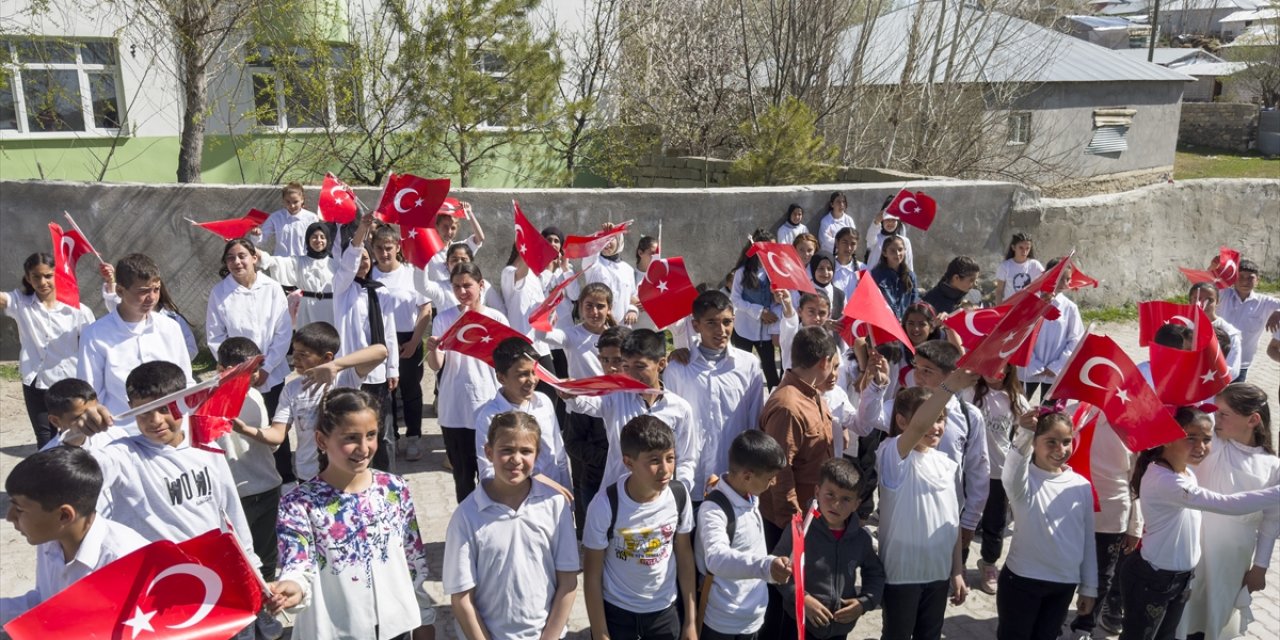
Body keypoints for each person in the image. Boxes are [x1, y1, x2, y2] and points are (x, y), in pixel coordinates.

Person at [268, 388, 436, 640]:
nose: (364, 447)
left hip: (396, 626)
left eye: (371, 435)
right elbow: (297, 562)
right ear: (322, 441)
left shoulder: (394, 488)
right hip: (336, 630)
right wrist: (292, 588)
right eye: (350, 438)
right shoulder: (299, 503)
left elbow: (413, 557)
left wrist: (424, 615)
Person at [1120, 406, 1280, 640]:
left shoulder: (1185, 473)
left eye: (1206, 439)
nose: (1201, 447)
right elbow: (1228, 504)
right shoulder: (1167, 481)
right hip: (1152, 580)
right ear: (1167, 438)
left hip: (1180, 578)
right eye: (1190, 438)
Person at [79, 361, 259, 566]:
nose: (155, 420)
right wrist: (76, 436)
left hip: (211, 572)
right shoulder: (123, 455)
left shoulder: (207, 448)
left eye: (165, 408)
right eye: (144, 411)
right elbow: (70, 472)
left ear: (184, 401)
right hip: (157, 579)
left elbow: (231, 509)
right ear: (130, 408)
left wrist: (251, 562)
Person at [444, 411, 579, 640]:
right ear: (489, 452)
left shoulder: (555, 506)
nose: (516, 459)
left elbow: (568, 581)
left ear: (537, 455)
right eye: (506, 450)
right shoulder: (466, 516)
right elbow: (462, 597)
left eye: (526, 451)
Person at [858, 340, 990, 566]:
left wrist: (969, 521)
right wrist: (877, 385)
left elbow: (978, 470)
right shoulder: (904, 405)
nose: (918, 376)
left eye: (927, 371)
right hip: (904, 516)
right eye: (916, 368)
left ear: (952, 375)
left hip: (946, 519)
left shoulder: (970, 416)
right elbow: (868, 419)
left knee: (941, 578)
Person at [0, 447, 148, 624]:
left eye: (19, 509)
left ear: (64, 515)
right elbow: (47, 603)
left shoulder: (127, 563)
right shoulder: (52, 539)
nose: (9, 517)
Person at [877, 378, 975, 640]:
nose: (936, 426)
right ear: (901, 421)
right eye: (930, 417)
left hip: (938, 574)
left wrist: (956, 570)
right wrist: (949, 386)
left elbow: (951, 522)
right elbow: (918, 427)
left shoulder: (947, 463)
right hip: (902, 575)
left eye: (941, 418)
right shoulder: (891, 455)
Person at [1180, 383, 1280, 640]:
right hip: (1192, 545)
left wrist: (1260, 566)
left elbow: (1271, 520)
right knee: (1184, 611)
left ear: (1253, 420)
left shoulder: (1271, 465)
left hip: (1232, 556)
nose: (1215, 418)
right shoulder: (1211, 443)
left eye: (1224, 414)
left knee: (1216, 612)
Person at [582, 416, 697, 640]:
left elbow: (684, 557)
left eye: (670, 458)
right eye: (654, 461)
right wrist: (601, 632)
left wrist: (690, 622)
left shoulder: (679, 495)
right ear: (628, 462)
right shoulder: (605, 505)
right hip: (618, 615)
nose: (666, 469)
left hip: (665, 613)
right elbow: (592, 575)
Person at [237, 322, 389, 484]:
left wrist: (335, 366)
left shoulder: (346, 377)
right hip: (309, 474)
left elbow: (381, 351)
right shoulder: (292, 389)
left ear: (327, 357)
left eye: (303, 354)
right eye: (294, 352)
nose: (295, 359)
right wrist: (245, 429)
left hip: (347, 471)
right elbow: (277, 435)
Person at [998, 409, 1097, 640]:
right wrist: (1023, 433)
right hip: (1022, 582)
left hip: (1063, 586)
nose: (1060, 449)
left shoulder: (1081, 486)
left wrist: (1089, 587)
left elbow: (1087, 542)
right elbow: (1011, 474)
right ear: (1034, 442)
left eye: (1066, 442)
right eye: (1050, 442)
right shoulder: (1023, 483)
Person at [564, 329, 699, 495]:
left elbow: (686, 458)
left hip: (661, 503)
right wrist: (571, 394)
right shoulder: (615, 398)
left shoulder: (680, 409)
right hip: (618, 498)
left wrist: (680, 491)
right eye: (626, 366)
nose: (632, 374)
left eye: (640, 366)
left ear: (661, 364)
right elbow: (587, 404)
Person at [664, 290, 766, 503]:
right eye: (711, 323)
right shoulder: (678, 368)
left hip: (734, 479)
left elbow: (754, 422)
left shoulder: (749, 365)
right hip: (691, 478)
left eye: (727, 322)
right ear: (696, 325)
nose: (721, 330)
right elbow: (670, 425)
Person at [773, 458, 885, 640]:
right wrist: (802, 599)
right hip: (798, 625)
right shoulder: (800, 531)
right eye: (830, 495)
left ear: (857, 503)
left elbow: (875, 573)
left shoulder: (861, 539)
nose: (836, 504)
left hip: (839, 629)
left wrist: (864, 603)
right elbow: (777, 570)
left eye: (846, 499)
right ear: (817, 491)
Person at [696, 430, 792, 639]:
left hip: (752, 617)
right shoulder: (714, 510)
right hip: (723, 623)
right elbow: (716, 558)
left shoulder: (750, 496)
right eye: (770, 478)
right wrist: (767, 566)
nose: (773, 483)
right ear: (747, 476)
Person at [426, 262, 510, 503]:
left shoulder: (496, 318)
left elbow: (506, 362)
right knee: (463, 477)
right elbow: (436, 365)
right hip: (454, 409)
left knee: (491, 475)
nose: (462, 292)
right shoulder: (443, 319)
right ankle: (467, 528)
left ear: (481, 285)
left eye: (467, 286)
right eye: (456, 287)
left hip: (488, 406)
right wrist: (433, 349)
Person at [541, 285, 620, 529]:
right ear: (580, 307)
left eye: (600, 306)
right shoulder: (572, 335)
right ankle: (584, 531)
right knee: (581, 471)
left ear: (609, 309)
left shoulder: (619, 337)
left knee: (610, 468)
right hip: (578, 411)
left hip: (610, 410)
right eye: (589, 306)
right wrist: (547, 309)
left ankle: (612, 523)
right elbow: (542, 334)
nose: (594, 311)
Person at [77, 253, 193, 418]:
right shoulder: (95, 335)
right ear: (120, 290)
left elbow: (186, 381)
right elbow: (92, 396)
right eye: (143, 291)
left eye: (156, 289)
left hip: (170, 428)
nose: (152, 297)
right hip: (123, 432)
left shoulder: (171, 328)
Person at [1, 253, 95, 447]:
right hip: (35, 382)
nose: (42, 282)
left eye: (48, 276)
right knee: (45, 439)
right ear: (28, 278)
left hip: (68, 383)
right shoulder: (20, 303)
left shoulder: (78, 310)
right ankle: (50, 476)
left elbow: (93, 344)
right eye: (36, 276)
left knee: (75, 435)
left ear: (57, 275)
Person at [758, 326, 839, 545]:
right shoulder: (789, 407)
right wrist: (793, 523)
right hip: (790, 522)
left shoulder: (812, 394)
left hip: (810, 511)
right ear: (824, 361)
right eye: (833, 364)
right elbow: (778, 471)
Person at [333, 211, 401, 469]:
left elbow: (390, 332)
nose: (362, 262)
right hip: (351, 372)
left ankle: (388, 475)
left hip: (378, 373)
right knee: (353, 427)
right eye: (358, 258)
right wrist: (362, 229)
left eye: (366, 259)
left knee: (382, 430)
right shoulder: (342, 289)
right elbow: (349, 260)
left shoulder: (380, 291)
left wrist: (392, 368)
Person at [370, 225, 433, 461]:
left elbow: (425, 309)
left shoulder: (411, 273)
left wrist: (415, 341)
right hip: (379, 341)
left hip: (407, 339)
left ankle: (414, 436)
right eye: (379, 248)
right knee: (384, 391)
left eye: (388, 248)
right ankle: (391, 437)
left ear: (398, 247)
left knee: (411, 390)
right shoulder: (368, 275)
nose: (384, 253)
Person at [472, 338, 572, 488]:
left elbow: (559, 454)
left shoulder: (544, 402)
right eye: (522, 374)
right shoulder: (489, 417)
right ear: (501, 377)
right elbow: (488, 471)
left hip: (552, 495)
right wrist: (534, 479)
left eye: (534, 372)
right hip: (516, 502)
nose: (532, 380)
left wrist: (566, 493)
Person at [971, 364, 1030, 595]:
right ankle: (957, 563)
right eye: (990, 363)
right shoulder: (970, 392)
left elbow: (1027, 436)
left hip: (999, 471)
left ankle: (988, 563)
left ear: (1007, 371)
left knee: (995, 522)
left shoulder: (1015, 400)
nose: (993, 371)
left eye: (1000, 367)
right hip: (970, 469)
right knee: (963, 517)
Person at [1019, 258, 1084, 403]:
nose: (1066, 284)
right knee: (1017, 409)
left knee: (1050, 415)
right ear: (1049, 276)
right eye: (1061, 279)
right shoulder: (1030, 303)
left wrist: (1057, 366)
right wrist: (1033, 365)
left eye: (1068, 279)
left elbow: (1076, 340)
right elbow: (1020, 336)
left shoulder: (1070, 308)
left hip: (1054, 372)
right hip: (1028, 369)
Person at [256, 221, 338, 329]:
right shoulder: (298, 261)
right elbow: (273, 261)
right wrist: (246, 246)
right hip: (307, 308)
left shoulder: (335, 264)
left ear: (328, 240)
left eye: (322, 237)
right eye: (314, 237)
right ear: (308, 240)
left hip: (330, 308)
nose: (318, 240)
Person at [730, 230, 781, 390]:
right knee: (740, 369)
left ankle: (774, 406)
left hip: (765, 331)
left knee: (770, 370)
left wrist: (775, 305)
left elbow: (778, 301)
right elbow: (735, 299)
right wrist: (759, 312)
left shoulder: (775, 271)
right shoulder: (742, 272)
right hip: (744, 328)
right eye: (766, 247)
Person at [1215, 259, 1280, 382]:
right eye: (1241, 277)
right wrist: (1213, 269)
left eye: (1250, 278)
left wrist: (1278, 312)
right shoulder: (1222, 295)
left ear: (1257, 281)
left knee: (1234, 400)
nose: (1245, 281)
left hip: (1241, 364)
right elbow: (1202, 290)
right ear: (1233, 279)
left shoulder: (1265, 302)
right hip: (1215, 359)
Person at [41, 378, 127, 451]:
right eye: (80, 417)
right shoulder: (47, 459)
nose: (91, 419)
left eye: (95, 412)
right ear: (55, 421)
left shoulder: (116, 436)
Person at [582, 224, 639, 326]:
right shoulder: (594, 264)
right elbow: (590, 249)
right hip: (598, 325)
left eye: (611, 239)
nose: (607, 243)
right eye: (604, 239)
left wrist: (633, 310)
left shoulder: (627, 269)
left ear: (619, 241)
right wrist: (599, 236)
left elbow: (632, 296)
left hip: (622, 327)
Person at [1188, 282, 1243, 381]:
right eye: (1197, 299)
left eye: (1209, 300)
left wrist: (1203, 375)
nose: (1202, 304)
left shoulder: (1230, 333)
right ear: (1190, 301)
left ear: (1217, 302)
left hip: (1212, 387)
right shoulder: (1180, 326)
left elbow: (1232, 371)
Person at [252, 181, 319, 257]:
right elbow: (261, 240)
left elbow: (317, 240)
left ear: (302, 200)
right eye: (288, 202)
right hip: (281, 263)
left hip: (303, 261)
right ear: (283, 201)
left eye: (295, 202)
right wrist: (257, 235)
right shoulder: (275, 217)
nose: (292, 205)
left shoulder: (312, 218)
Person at [424, 200, 485, 284]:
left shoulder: (460, 249)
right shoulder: (427, 250)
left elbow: (480, 238)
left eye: (453, 228)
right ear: (436, 226)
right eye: (445, 226)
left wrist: (469, 213)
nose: (449, 232)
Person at [869, 236, 918, 320]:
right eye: (892, 250)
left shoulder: (910, 275)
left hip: (904, 324)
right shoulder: (876, 275)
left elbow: (914, 302)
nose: (897, 253)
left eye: (900, 249)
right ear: (884, 253)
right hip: (885, 322)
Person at [994, 233, 1043, 302]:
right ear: (1013, 247)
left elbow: (1046, 283)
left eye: (1027, 248)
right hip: (1011, 308)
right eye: (1021, 248)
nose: (1024, 251)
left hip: (1030, 308)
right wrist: (999, 311)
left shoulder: (1035, 265)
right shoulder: (1005, 266)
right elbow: (999, 291)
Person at [865, 206, 915, 274]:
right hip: (875, 279)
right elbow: (870, 237)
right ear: (882, 221)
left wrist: (910, 279)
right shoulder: (876, 238)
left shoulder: (905, 241)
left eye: (893, 220)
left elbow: (909, 263)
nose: (890, 223)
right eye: (887, 220)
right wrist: (876, 222)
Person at [633, 235, 661, 331]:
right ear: (640, 253)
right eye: (652, 253)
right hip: (635, 330)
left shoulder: (662, 277)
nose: (656, 257)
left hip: (657, 332)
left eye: (658, 254)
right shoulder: (629, 275)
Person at [808, 251, 846, 319]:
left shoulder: (840, 295)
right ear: (813, 270)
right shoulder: (803, 292)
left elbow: (844, 319)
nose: (825, 272)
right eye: (821, 268)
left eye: (829, 269)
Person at [831, 228, 864, 298]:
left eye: (853, 244)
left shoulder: (863, 269)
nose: (848, 248)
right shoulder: (828, 267)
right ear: (837, 243)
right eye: (845, 242)